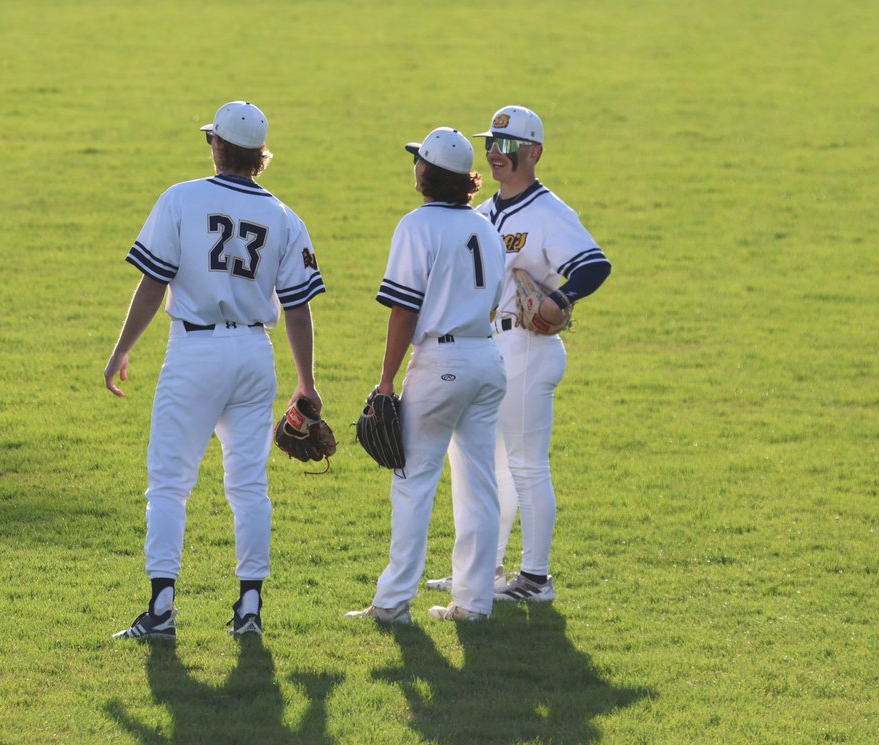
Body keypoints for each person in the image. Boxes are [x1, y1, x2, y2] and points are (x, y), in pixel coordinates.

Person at [105, 101, 326, 640]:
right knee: (249, 486)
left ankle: (160, 610)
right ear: (259, 156)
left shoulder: (181, 199)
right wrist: (306, 382)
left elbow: (154, 284)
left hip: (195, 353)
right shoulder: (284, 216)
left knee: (168, 485)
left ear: (217, 147)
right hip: (255, 355)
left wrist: (121, 350)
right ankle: (249, 607)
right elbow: (297, 305)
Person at [426, 105, 611, 603]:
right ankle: (482, 569)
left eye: (506, 146)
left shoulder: (550, 213)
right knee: (491, 466)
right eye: (490, 144)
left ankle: (535, 579)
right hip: (489, 346)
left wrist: (559, 298)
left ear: (534, 153)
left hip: (529, 347)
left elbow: (594, 266)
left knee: (527, 465)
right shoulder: (484, 213)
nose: (495, 154)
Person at [345, 128, 506, 624]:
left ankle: (393, 604)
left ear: (427, 173)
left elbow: (403, 310)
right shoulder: (485, 228)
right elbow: (495, 301)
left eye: (418, 161)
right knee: (480, 484)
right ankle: (475, 602)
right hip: (487, 359)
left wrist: (387, 379)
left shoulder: (417, 225)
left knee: (413, 483)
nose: (413, 166)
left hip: (441, 364)